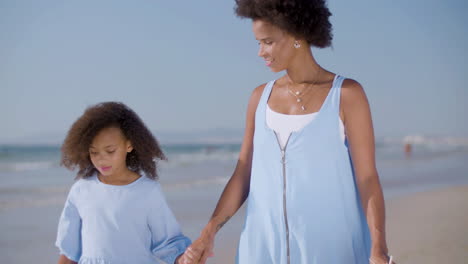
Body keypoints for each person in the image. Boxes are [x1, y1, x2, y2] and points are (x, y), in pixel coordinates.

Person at [187, 0, 395, 263]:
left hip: (331, 250)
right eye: (258, 43)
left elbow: (367, 178)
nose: (260, 52)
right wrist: (209, 232)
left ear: (297, 35)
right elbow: (243, 173)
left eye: (268, 42)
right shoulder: (259, 98)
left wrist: (379, 247)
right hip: (261, 250)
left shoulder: (346, 95)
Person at [56, 102, 201, 264]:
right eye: (94, 152)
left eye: (110, 151)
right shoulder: (81, 190)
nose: (101, 158)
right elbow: (70, 250)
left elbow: (167, 242)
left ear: (129, 145)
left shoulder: (147, 190)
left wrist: (184, 259)